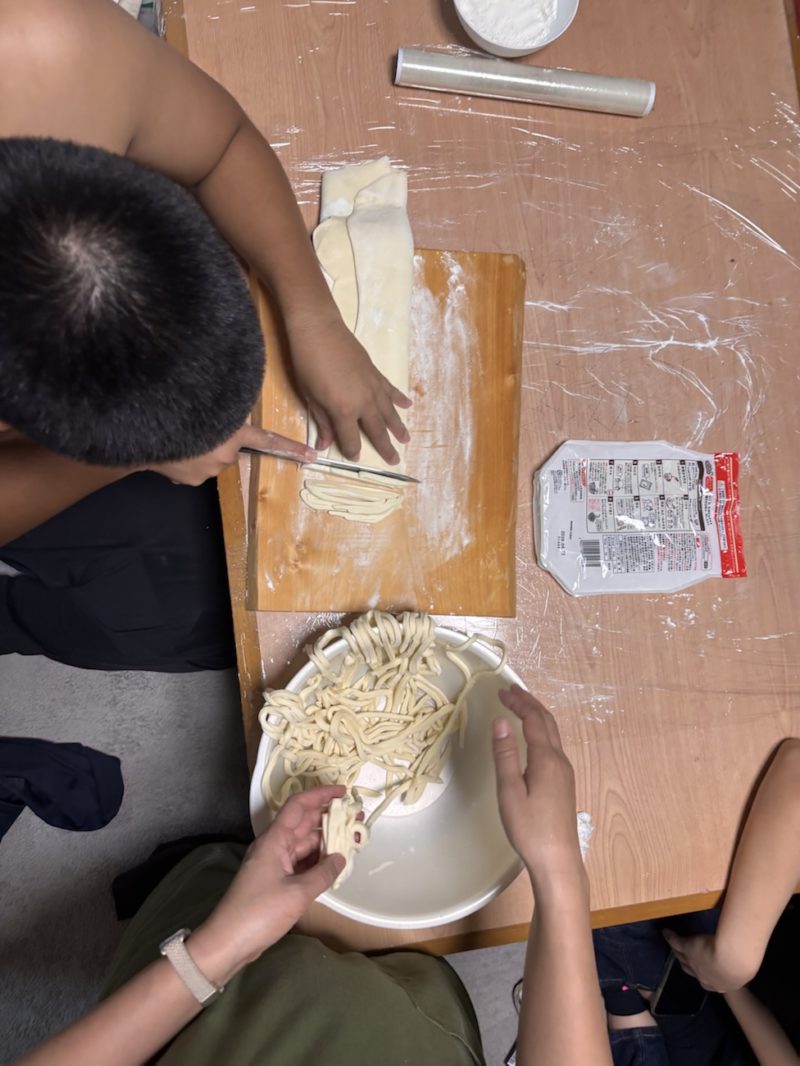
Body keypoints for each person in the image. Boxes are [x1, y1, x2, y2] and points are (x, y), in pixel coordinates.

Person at [0, 0, 411, 669]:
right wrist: (126, 460)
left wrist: (311, 311)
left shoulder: (51, 49)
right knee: (159, 609)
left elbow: (220, 145)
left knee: (198, 579)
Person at [15, 686, 613, 1066]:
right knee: (420, 979)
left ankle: (209, 871)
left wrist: (220, 948)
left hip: (205, 1007)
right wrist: (559, 871)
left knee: (213, 879)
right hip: (420, 1031)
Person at [593, 738, 800, 1066]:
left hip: (731, 1022)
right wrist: (733, 963)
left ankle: (625, 1002)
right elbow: (796, 766)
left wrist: (727, 984)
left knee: (610, 901)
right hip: (759, 946)